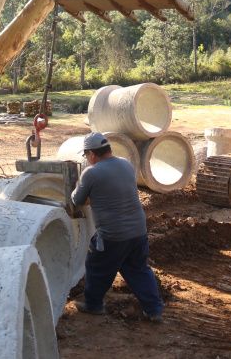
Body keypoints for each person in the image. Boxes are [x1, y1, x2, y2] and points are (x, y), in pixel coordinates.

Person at [71, 132, 164, 323]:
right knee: (138, 269)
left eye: (87, 156)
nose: (87, 159)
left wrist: (79, 187)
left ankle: (93, 305)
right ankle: (154, 310)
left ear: (91, 154)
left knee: (97, 267)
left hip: (113, 235)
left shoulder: (91, 172)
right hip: (138, 231)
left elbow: (77, 200)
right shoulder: (126, 164)